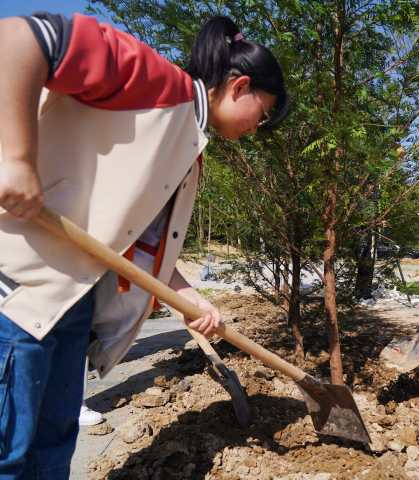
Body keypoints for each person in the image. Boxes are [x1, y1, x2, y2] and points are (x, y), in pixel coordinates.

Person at [0, 11, 288, 478]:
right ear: (240, 87)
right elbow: (19, 37)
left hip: (70, 306)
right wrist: (15, 159)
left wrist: (188, 296)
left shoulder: (189, 147)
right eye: (265, 113)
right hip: (18, 289)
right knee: (8, 453)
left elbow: (137, 246)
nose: (258, 127)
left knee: (51, 451)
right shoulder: (154, 82)